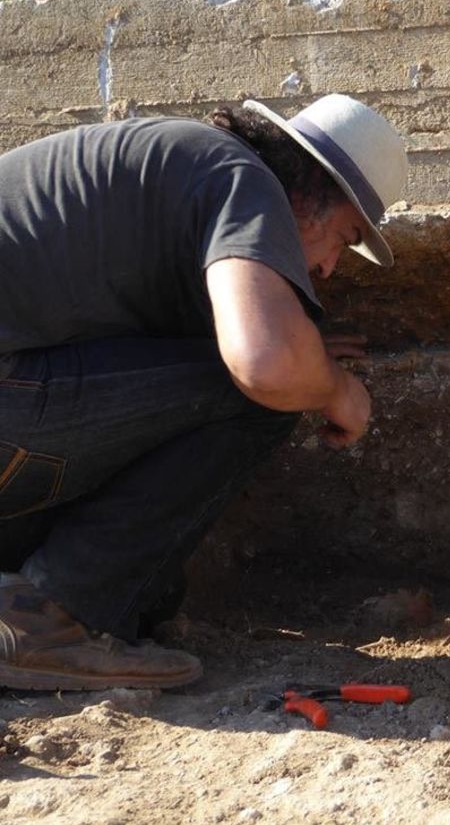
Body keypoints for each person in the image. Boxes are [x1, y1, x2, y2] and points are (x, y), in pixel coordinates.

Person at [0, 93, 408, 691]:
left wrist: (307, 350)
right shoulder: (243, 180)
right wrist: (330, 385)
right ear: (307, 194)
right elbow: (263, 364)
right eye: (344, 239)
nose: (328, 269)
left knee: (149, 601)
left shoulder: (183, 168)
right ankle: (50, 619)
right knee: (260, 397)